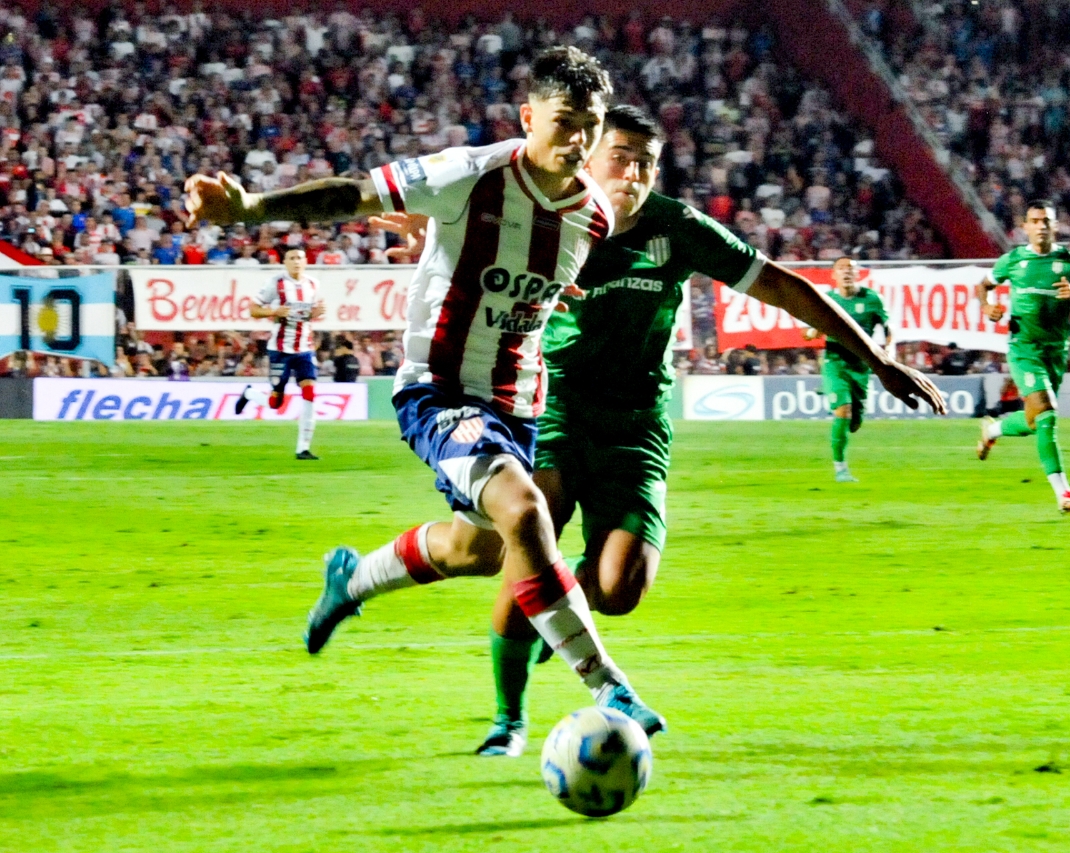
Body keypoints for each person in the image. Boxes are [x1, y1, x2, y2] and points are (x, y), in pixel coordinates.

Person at [374, 106, 945, 757]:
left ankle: (566, 604)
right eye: (620, 157)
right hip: (553, 412)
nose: (633, 173)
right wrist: (435, 238)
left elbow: (782, 286)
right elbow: (472, 254)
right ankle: (509, 721)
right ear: (589, 159)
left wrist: (878, 357)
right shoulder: (544, 217)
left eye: (646, 162)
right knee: (527, 540)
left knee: (619, 590)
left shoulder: (677, 228)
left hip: (638, 427)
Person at [184, 45, 666, 736]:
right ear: (528, 117)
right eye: (564, 122)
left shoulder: (591, 216)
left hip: (517, 404)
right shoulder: (471, 174)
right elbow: (355, 194)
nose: (578, 139)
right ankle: (609, 688)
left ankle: (351, 581)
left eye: (589, 125)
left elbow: (538, 283)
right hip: (439, 391)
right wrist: (253, 207)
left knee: (480, 551)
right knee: (525, 511)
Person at [975, 201, 1070, 512]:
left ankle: (992, 430)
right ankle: (1063, 493)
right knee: (1047, 413)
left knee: (1034, 421)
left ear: (1055, 226)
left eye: (1046, 221)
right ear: (1025, 227)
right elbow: (984, 286)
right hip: (1024, 348)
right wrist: (987, 307)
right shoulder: (1014, 260)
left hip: (1056, 351)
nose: (1041, 226)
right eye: (1035, 221)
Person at [804, 257, 892, 482]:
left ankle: (833, 392)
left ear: (858, 274)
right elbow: (806, 332)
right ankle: (840, 469)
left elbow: (888, 329)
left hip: (861, 366)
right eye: (841, 269)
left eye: (850, 269)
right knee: (843, 411)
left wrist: (888, 353)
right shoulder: (826, 300)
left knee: (854, 422)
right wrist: (813, 332)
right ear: (833, 275)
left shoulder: (872, 299)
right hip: (834, 362)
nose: (846, 272)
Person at [233, 247, 326, 459]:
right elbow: (253, 309)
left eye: (299, 258)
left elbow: (307, 314)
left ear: (306, 262)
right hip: (280, 350)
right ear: (285, 262)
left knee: (310, 392)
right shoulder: (276, 283)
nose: (296, 261)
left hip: (304, 348)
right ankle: (249, 393)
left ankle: (303, 448)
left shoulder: (313, 284)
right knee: (276, 402)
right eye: (292, 258)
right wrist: (274, 311)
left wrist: (316, 313)